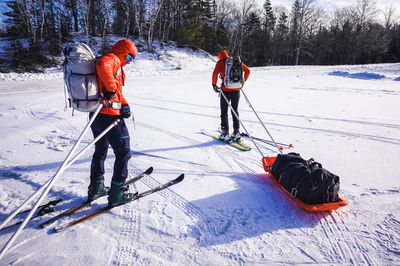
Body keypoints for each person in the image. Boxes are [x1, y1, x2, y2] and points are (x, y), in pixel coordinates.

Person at [87, 39, 137, 207]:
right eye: (130, 58)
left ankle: (96, 187)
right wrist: (110, 88)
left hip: (96, 113)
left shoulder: (116, 63)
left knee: (100, 150)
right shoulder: (113, 58)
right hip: (109, 115)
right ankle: (116, 194)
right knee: (123, 152)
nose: (129, 63)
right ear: (124, 52)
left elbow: (117, 91)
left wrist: (125, 104)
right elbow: (103, 65)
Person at [211, 50, 250, 141]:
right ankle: (236, 132)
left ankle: (225, 132)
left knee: (224, 112)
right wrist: (243, 81)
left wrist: (214, 85)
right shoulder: (234, 61)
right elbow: (248, 71)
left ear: (220, 56)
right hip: (237, 90)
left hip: (225, 90)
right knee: (235, 110)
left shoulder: (220, 63)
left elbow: (215, 74)